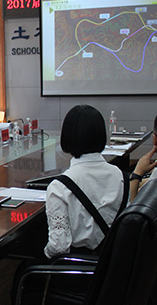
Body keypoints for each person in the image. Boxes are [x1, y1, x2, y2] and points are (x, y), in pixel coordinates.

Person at [44, 105, 125, 259]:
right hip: (117, 262)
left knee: (26, 266)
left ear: (66, 138)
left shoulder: (59, 186)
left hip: (81, 266)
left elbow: (59, 247)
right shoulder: (121, 176)